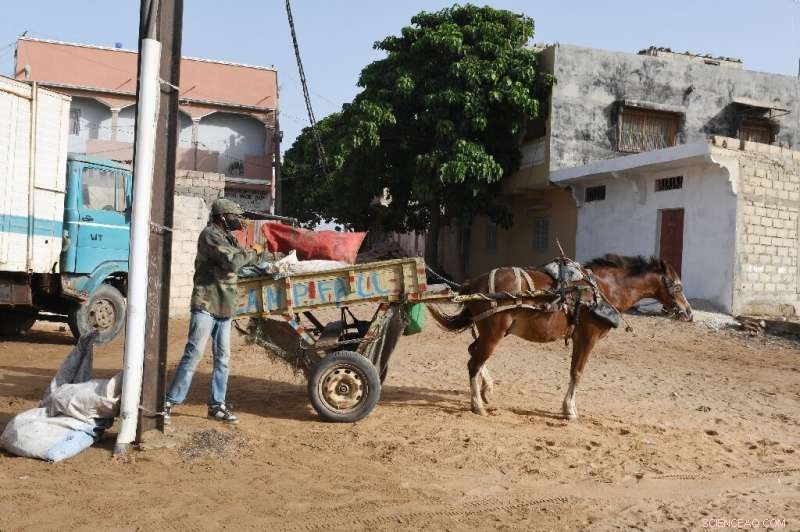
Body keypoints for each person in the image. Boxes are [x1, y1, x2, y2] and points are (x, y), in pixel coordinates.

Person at [164, 198, 263, 425]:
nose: (238, 220)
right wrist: (254, 251)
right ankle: (168, 402)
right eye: (234, 216)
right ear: (222, 217)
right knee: (193, 354)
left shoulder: (228, 237)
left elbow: (244, 261)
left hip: (225, 307)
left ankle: (217, 405)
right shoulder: (210, 235)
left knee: (223, 359)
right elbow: (233, 262)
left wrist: (267, 256)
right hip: (206, 304)